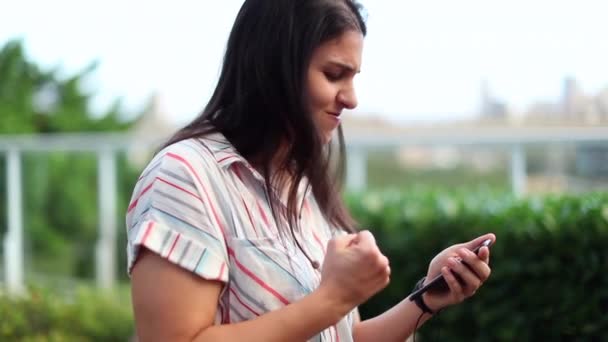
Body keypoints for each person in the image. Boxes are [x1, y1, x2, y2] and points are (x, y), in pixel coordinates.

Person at [125, 0, 495, 341]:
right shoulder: (184, 177)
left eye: (353, 77)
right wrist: (332, 299)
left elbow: (343, 336)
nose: (351, 98)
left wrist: (427, 297)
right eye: (335, 74)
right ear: (273, 69)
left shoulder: (301, 185)